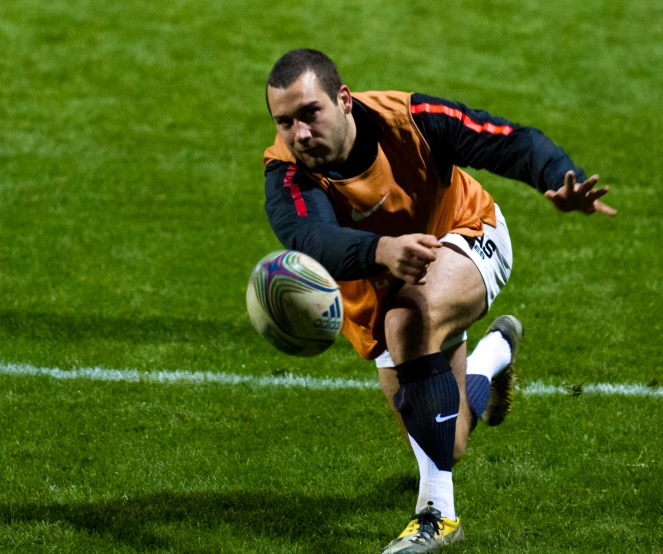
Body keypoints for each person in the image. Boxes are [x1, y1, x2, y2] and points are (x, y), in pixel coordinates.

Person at [261, 49, 616, 553]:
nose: (298, 134)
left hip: (467, 234)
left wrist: (557, 176)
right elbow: (310, 238)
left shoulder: (410, 120)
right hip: (380, 285)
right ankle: (493, 355)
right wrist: (382, 250)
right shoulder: (286, 169)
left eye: (309, 114)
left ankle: (437, 518)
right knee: (447, 443)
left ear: (342, 100)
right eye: (284, 122)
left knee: (407, 321)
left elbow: (508, 141)